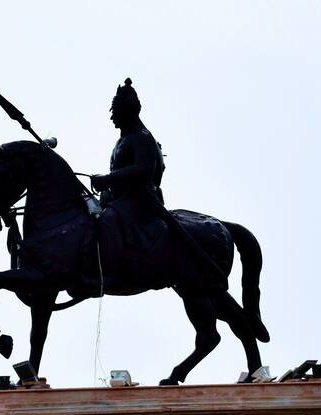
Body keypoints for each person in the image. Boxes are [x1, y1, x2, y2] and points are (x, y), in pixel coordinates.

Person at [91, 78, 226, 291]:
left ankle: (112, 271)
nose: (111, 117)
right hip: (122, 199)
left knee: (107, 220)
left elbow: (142, 170)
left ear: (126, 111)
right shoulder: (124, 139)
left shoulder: (142, 137)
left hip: (140, 200)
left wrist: (107, 179)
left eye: (115, 112)